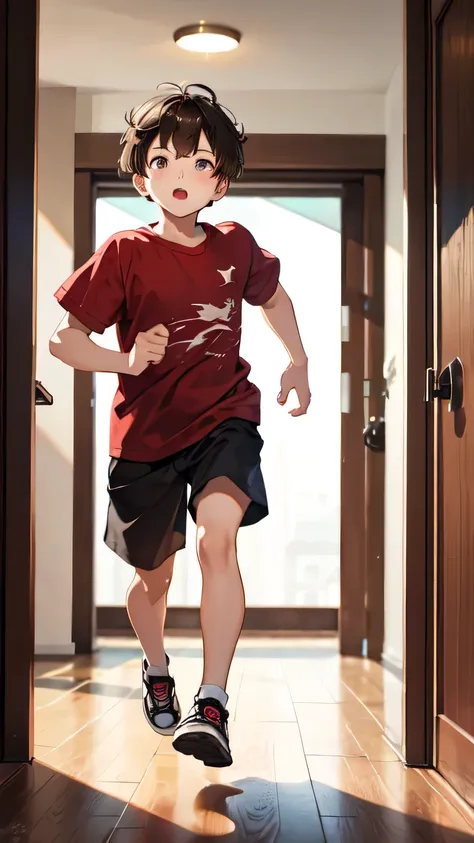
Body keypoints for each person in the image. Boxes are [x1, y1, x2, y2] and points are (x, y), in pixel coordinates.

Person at [50, 82, 311, 768]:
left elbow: (274, 297)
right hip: (143, 440)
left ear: (219, 177)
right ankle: (157, 666)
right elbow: (64, 341)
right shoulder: (124, 253)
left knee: (218, 541)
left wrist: (299, 362)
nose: (180, 176)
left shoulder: (235, 245)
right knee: (153, 582)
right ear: (142, 176)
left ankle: (213, 699)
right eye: (163, 161)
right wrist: (124, 356)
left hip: (225, 417)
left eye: (199, 163)